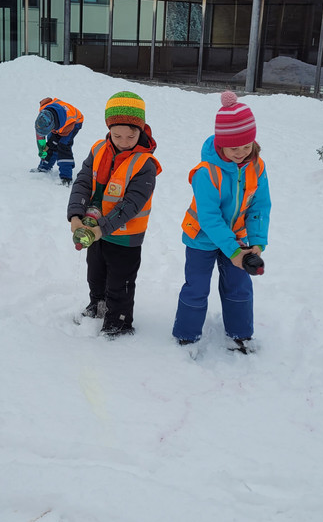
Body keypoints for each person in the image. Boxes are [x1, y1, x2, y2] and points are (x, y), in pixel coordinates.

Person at [172, 91, 271, 353]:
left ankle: (240, 334)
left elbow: (260, 206)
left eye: (246, 146)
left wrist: (257, 243)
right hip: (201, 237)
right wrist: (234, 251)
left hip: (237, 238)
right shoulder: (205, 173)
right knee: (197, 287)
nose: (241, 153)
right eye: (234, 148)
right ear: (221, 144)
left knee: (239, 285)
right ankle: (186, 336)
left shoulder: (257, 167)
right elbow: (209, 218)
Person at [67, 91, 161, 338]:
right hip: (95, 229)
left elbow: (131, 204)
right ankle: (98, 305)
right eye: (117, 135)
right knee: (95, 274)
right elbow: (83, 182)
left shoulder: (145, 164)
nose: (124, 141)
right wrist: (75, 215)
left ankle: (118, 323)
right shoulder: (98, 149)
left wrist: (102, 228)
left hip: (125, 236)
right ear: (109, 129)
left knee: (120, 281)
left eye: (131, 135)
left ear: (141, 130)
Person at [32, 96, 84, 186]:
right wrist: (42, 148)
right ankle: (44, 167)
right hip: (59, 120)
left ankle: (66, 177)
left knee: (63, 146)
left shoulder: (67, 125)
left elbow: (58, 139)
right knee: (51, 143)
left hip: (74, 122)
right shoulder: (43, 114)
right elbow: (47, 100)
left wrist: (53, 141)